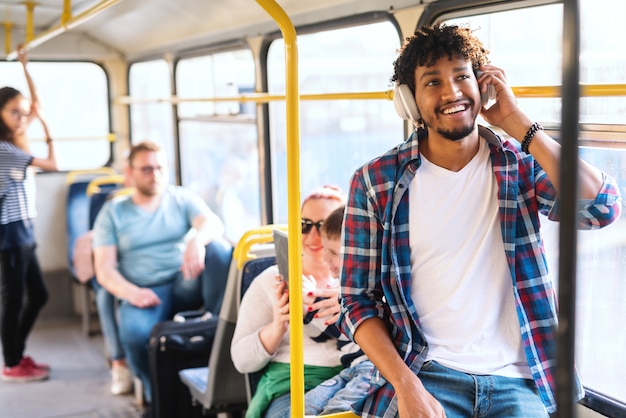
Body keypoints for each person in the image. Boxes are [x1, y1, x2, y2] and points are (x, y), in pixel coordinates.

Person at [338, 24, 622, 418]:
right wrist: (406, 386)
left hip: (519, 382)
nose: (452, 92)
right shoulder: (376, 182)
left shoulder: (519, 164)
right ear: (410, 101)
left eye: (462, 76)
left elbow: (602, 208)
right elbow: (356, 302)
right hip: (426, 374)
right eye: (433, 81)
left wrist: (519, 123)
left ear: (483, 84)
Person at [92, 141, 232, 407]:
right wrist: (131, 293)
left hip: (184, 281)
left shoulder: (181, 198)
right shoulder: (113, 212)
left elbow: (212, 222)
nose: (154, 175)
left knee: (219, 249)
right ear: (130, 172)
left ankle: (216, 323)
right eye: (146, 169)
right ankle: (154, 390)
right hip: (144, 289)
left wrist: (195, 240)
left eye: (159, 168)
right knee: (134, 334)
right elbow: (104, 269)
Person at [230, 185, 346, 418]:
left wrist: (352, 307)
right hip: (294, 384)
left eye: (323, 226)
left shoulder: (362, 282)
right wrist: (276, 328)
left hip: (355, 377)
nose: (313, 236)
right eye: (305, 225)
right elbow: (241, 361)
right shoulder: (270, 280)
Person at [0, 46, 58, 383]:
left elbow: (34, 105)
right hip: (10, 233)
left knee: (37, 294)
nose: (23, 118)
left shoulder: (13, 139)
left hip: (22, 230)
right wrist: (48, 129)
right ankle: (11, 362)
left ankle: (17, 355)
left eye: (23, 113)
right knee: (15, 299)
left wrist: (25, 68)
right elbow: (53, 164)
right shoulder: (5, 149)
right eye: (14, 113)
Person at [303, 205, 374, 416]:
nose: (326, 258)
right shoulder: (337, 288)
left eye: (333, 253)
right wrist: (306, 303)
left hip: (372, 368)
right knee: (304, 407)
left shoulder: (367, 290)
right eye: (325, 249)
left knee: (337, 411)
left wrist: (314, 300)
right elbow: (321, 334)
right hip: (350, 369)